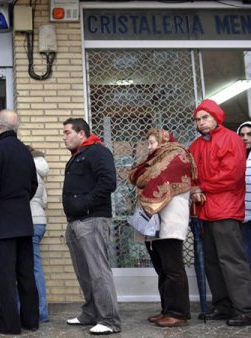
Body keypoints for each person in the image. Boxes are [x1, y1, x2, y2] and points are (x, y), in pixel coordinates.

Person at [188, 99, 251, 326]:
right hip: (204, 211)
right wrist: (193, 190)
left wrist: (200, 187)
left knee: (231, 261)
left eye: (205, 117)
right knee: (212, 262)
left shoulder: (231, 139)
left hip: (226, 209)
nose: (201, 122)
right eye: (197, 119)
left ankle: (244, 309)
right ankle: (223, 306)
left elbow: (231, 176)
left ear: (216, 117)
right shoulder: (195, 145)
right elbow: (191, 176)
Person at [0, 110, 39, 334]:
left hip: (1, 224)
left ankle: (9, 324)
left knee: (4, 276)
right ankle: (30, 321)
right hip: (23, 221)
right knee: (25, 274)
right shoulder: (25, 151)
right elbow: (32, 186)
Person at [128, 128, 194, 327]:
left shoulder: (177, 155)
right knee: (162, 269)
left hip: (170, 222)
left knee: (173, 269)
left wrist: (144, 177)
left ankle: (178, 313)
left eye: (152, 143)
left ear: (164, 141)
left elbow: (151, 180)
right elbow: (137, 176)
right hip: (155, 223)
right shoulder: (155, 161)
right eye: (147, 143)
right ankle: (167, 309)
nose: (149, 147)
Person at [62, 117, 121, 335]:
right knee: (84, 272)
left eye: (67, 132)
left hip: (92, 220)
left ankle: (110, 320)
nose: (64, 137)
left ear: (81, 133)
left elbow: (109, 182)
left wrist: (83, 204)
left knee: (98, 272)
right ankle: (91, 312)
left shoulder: (98, 152)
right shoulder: (79, 155)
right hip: (76, 222)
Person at [27, 145, 50, 323]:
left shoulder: (25, 170)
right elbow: (44, 201)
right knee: (35, 267)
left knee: (29, 269)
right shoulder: (41, 173)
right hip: (40, 222)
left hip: (28, 222)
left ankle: (38, 312)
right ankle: (41, 311)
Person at [238, 121, 251, 269]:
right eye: (242, 135)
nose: (245, 138)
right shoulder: (236, 157)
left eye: (249, 134)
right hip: (243, 217)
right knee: (245, 259)